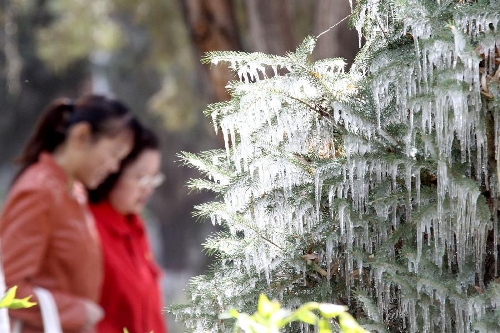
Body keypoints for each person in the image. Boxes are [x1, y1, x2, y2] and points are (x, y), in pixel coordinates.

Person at [0, 94, 137, 333]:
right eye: (114, 154)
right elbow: (8, 288)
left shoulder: (72, 190)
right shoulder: (39, 191)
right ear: (82, 135)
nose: (115, 168)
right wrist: (77, 311)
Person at [88, 125, 167, 333]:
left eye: (154, 178)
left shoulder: (135, 227)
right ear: (113, 171)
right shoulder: (88, 227)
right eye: (141, 177)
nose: (148, 188)